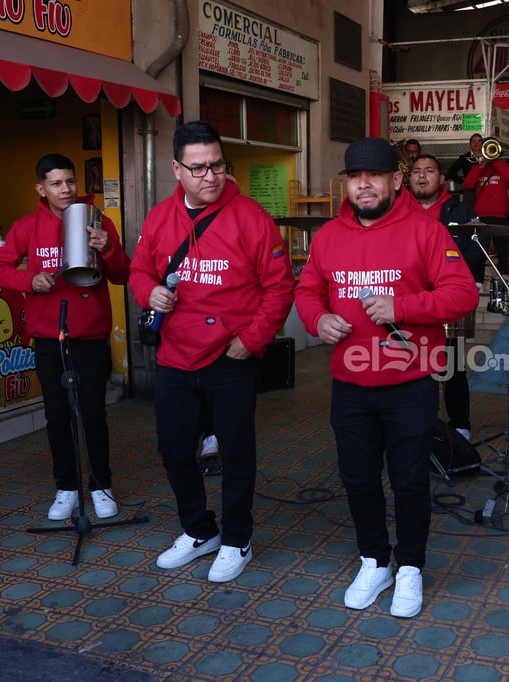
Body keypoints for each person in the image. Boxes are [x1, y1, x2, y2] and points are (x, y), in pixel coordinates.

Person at [295, 137, 478, 618]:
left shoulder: (427, 231)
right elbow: (308, 288)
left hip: (409, 381)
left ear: (395, 181)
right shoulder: (329, 236)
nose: (364, 185)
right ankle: (375, 561)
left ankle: (411, 566)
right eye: (355, 177)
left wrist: (405, 306)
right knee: (357, 478)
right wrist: (317, 319)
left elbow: (462, 295)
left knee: (410, 480)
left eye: (374, 176)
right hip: (350, 386)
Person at [129, 121, 294, 583]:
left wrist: (251, 341)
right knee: (174, 449)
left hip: (231, 357)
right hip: (175, 357)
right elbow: (139, 271)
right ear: (176, 168)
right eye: (198, 168)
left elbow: (280, 289)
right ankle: (199, 531)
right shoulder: (160, 217)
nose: (210, 176)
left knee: (237, 453)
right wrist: (149, 294)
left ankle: (237, 538)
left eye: (217, 165)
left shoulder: (251, 217)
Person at [0, 153, 129, 522]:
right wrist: (27, 281)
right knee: (57, 416)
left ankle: (101, 486)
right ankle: (66, 487)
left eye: (70, 182)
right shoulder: (26, 227)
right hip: (49, 338)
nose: (65, 189)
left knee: (94, 415)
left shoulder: (99, 222)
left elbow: (123, 274)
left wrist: (107, 248)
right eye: (56, 183)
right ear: (41, 188)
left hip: (90, 336)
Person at [409, 153, 486, 441]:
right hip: (412, 302)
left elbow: (478, 245)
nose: (422, 176)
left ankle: (460, 426)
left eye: (429, 170)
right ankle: (419, 424)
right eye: (416, 171)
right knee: (414, 365)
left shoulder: (462, 210)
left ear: (441, 179)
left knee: (453, 364)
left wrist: (449, 275)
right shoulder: (398, 212)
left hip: (450, 298)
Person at [463, 145, 509, 275]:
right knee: (479, 251)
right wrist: (482, 165)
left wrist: (495, 161)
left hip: (499, 215)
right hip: (481, 215)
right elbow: (468, 184)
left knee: (502, 251)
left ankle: (504, 279)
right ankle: (478, 280)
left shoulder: (502, 167)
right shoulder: (477, 168)